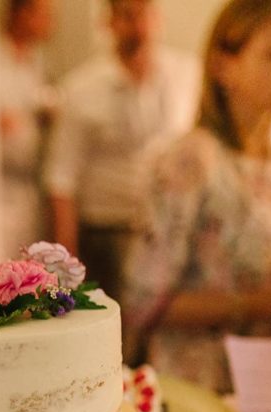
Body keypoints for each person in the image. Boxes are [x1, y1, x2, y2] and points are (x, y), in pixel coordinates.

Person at [121, 0, 271, 393]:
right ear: (223, 66)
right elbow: (144, 302)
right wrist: (259, 302)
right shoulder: (191, 161)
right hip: (209, 395)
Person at [43, 0, 197, 298]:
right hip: (106, 234)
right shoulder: (82, 89)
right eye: (128, 16)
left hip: (167, 232)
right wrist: (67, 264)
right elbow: (61, 178)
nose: (139, 27)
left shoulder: (186, 76)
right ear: (110, 22)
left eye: (145, 15)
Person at [0, 0, 56, 256]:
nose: (50, 23)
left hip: (30, 185)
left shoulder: (38, 62)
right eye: (43, 14)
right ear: (20, 14)